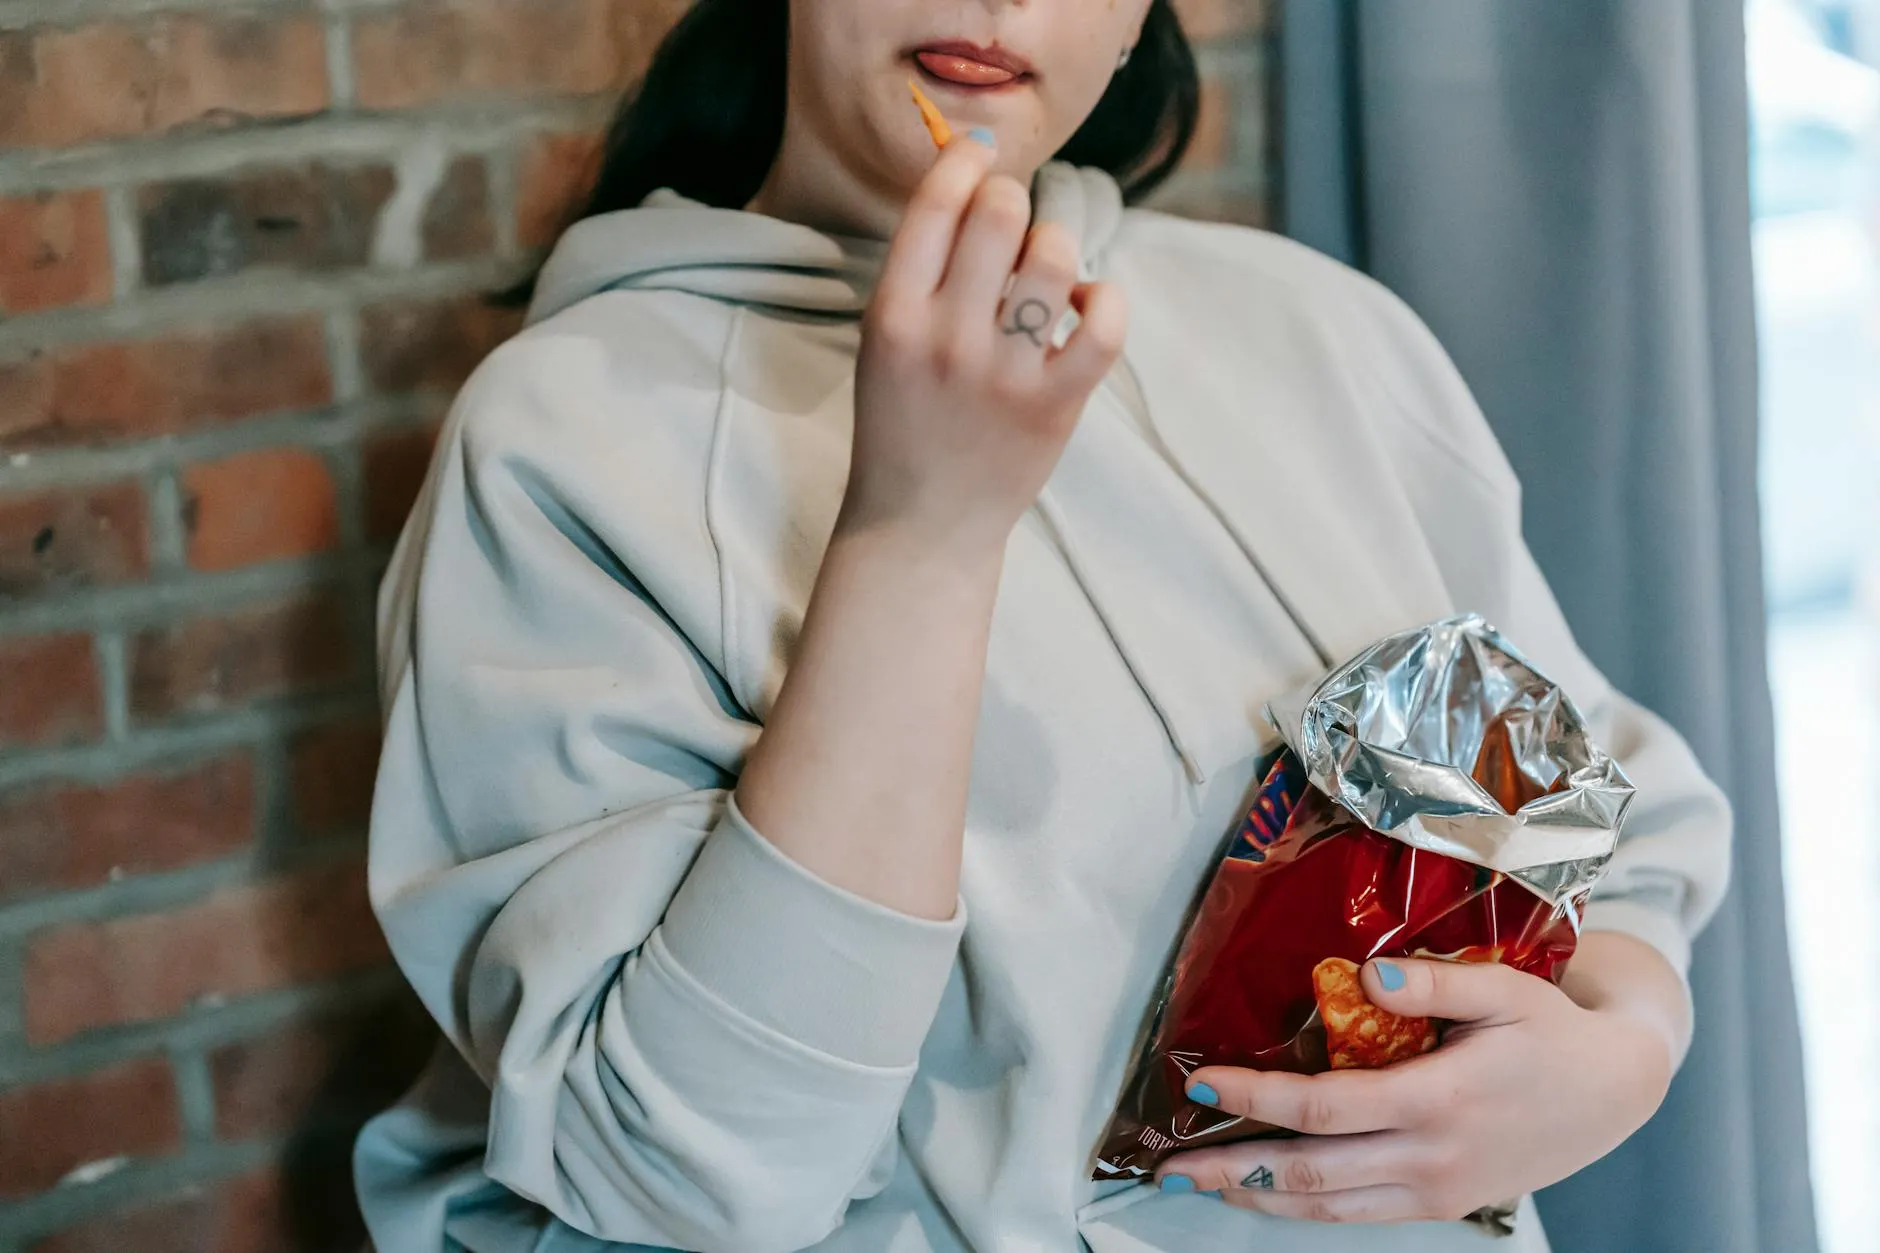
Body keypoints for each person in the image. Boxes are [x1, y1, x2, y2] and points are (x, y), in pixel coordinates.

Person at [352, 2, 1732, 1251]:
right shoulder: (565, 441)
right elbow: (694, 1169)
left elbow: (1612, 826)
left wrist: (1623, 1050)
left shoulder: (1319, 329)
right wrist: (918, 535)